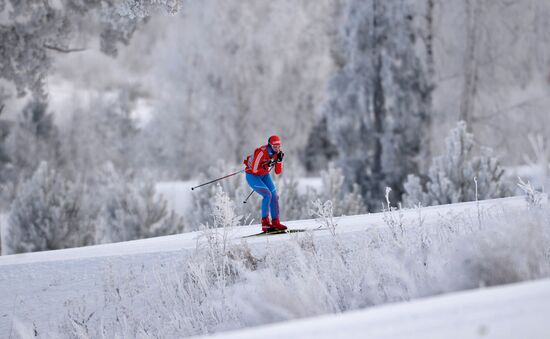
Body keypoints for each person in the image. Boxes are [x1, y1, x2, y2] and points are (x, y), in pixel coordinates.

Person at [243, 135, 287, 232]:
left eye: (279, 146)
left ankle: (276, 222)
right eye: (275, 147)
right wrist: (268, 164)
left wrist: (279, 161)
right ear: (270, 145)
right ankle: (265, 224)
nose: (277, 149)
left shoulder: (278, 153)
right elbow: (254, 170)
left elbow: (278, 172)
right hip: (252, 176)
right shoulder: (261, 152)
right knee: (267, 195)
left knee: (274, 195)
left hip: (264, 175)